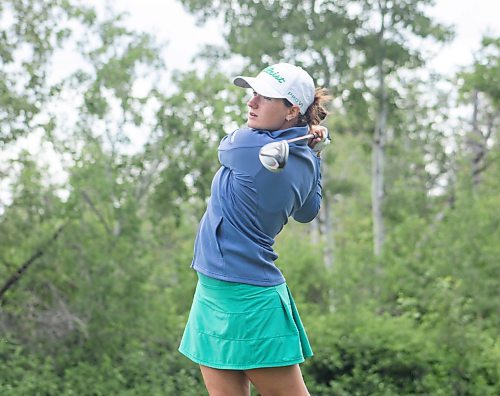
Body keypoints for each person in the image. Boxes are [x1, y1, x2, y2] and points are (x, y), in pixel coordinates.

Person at [179, 62, 332, 396]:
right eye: (254, 94)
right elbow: (309, 211)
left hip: (246, 297)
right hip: (217, 287)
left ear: (293, 110)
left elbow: (224, 146)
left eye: (265, 98)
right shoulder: (305, 157)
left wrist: (305, 144)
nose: (251, 103)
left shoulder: (249, 147)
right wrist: (316, 150)